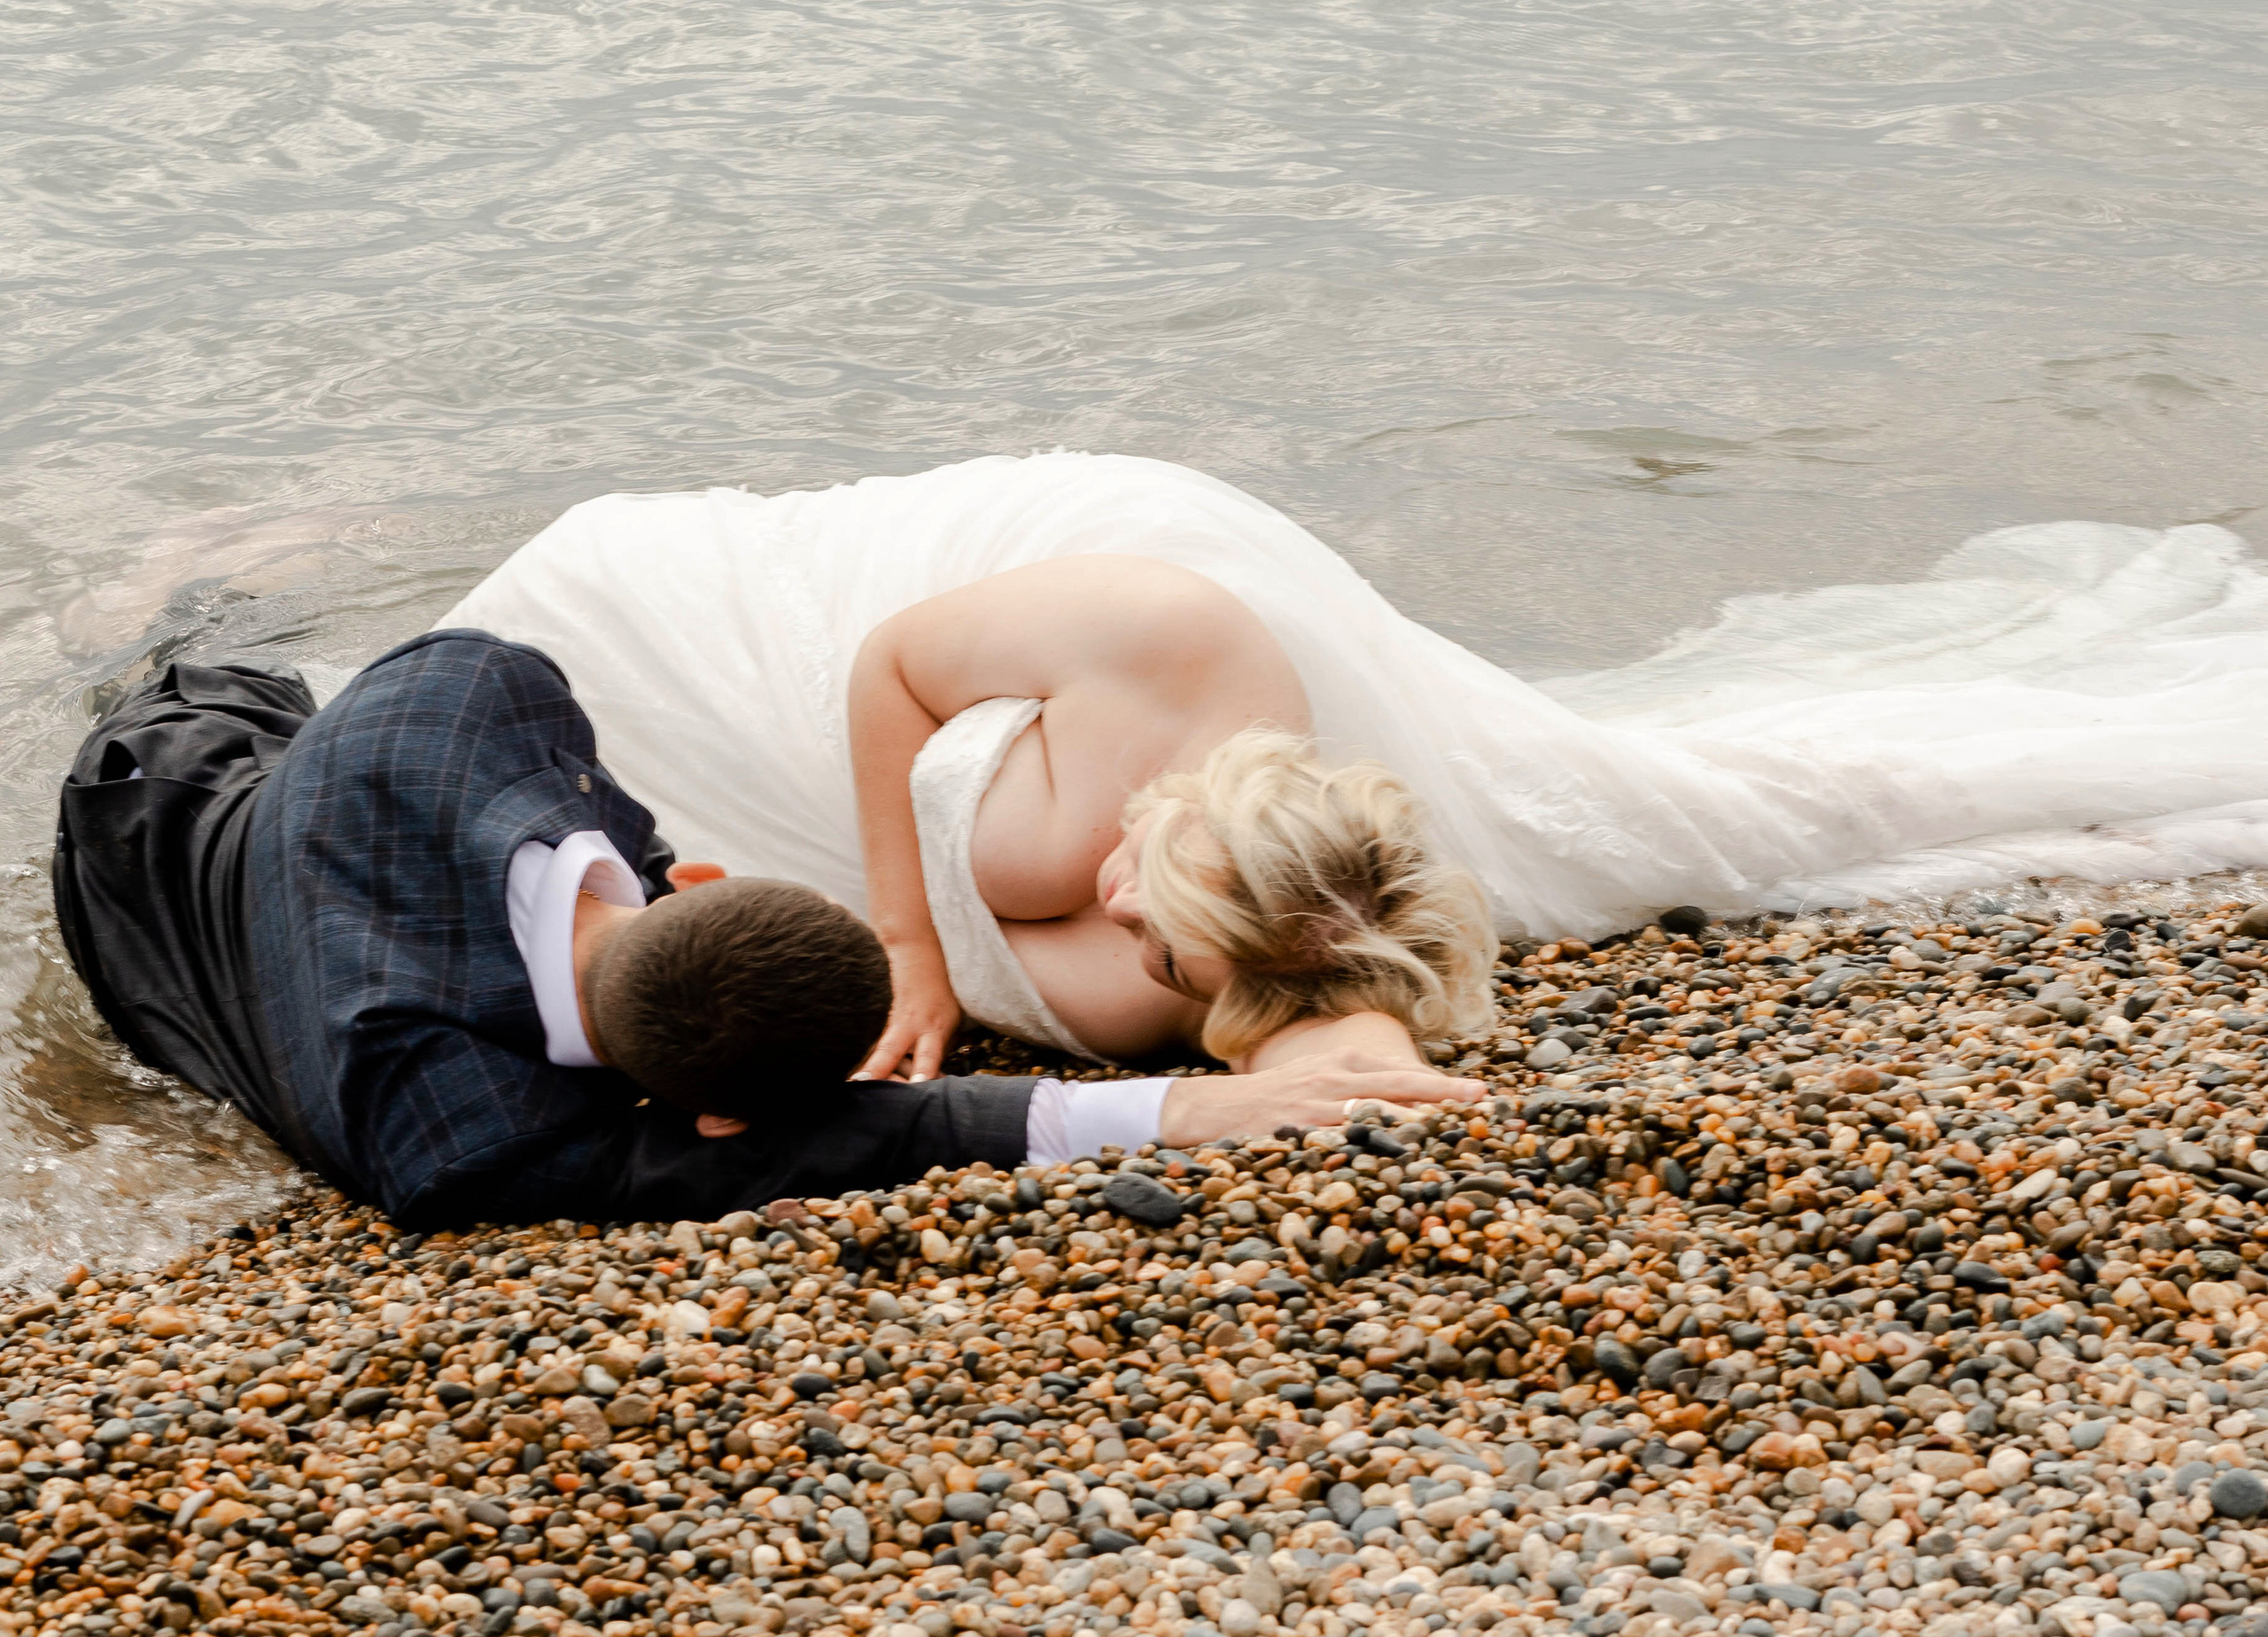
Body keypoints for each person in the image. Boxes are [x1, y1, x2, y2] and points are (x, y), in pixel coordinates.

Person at [447, 451, 2268, 1071]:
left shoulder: (1239, 912)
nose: (1118, 925)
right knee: (543, 656)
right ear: (1174, 829)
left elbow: (1177, 999)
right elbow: (885, 666)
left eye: (1160, 948)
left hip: (1139, 729)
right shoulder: (1170, 644)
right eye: (1150, 909)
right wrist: (912, 949)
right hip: (906, 611)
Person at [50, 627, 1475, 1234]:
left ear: (709, 880)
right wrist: (1175, 1113)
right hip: (189, 780)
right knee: (182, 658)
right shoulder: (457, 1137)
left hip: (196, 837)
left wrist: (1178, 1113)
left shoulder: (466, 697)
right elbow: (822, 1148)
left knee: (182, 644)